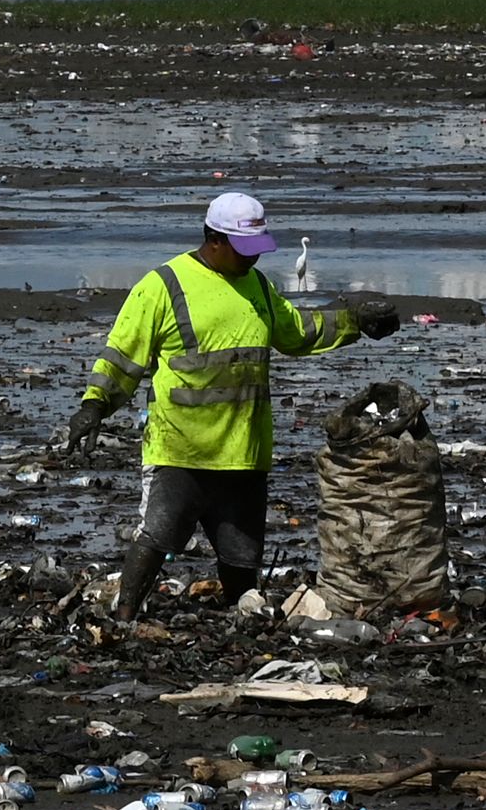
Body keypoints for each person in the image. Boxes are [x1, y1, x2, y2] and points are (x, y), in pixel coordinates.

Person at [60, 190, 399, 621]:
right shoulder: (164, 285)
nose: (252, 260)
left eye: (257, 251)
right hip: (181, 451)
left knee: (242, 560)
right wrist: (95, 406)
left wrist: (354, 321)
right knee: (156, 538)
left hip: (243, 454)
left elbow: (297, 332)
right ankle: (124, 619)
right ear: (213, 239)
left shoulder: (257, 286)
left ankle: (244, 622)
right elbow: (123, 356)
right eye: (244, 251)